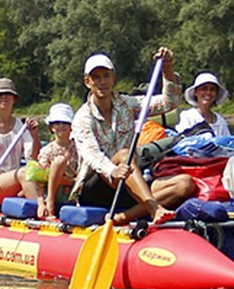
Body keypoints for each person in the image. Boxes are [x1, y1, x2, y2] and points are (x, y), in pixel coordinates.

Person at [71, 47, 195, 225]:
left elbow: (170, 102)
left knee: (184, 184)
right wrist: (113, 170)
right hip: (96, 186)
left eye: (106, 76)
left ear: (113, 78)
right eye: (96, 77)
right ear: (87, 81)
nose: (102, 82)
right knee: (124, 155)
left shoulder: (127, 104)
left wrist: (167, 69)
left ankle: (123, 217)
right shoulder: (82, 118)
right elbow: (93, 156)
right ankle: (154, 209)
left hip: (127, 181)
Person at [33, 103, 78, 219]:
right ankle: (50, 203)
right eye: (57, 123)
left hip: (74, 192)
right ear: (52, 127)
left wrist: (71, 181)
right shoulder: (46, 151)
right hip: (55, 192)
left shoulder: (79, 149)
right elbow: (39, 179)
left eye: (65, 123)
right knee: (59, 161)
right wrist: (40, 203)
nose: (61, 126)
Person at [175, 71, 230, 137]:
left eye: (212, 89)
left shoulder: (220, 121)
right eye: (204, 89)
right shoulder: (187, 117)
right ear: (195, 92)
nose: (208, 93)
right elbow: (182, 141)